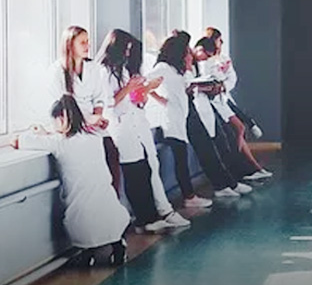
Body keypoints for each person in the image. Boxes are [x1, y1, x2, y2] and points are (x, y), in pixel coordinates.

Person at [9, 96, 130, 266]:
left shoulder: (58, 143)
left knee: (83, 224)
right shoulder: (94, 137)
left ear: (61, 119)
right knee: (109, 215)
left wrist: (36, 132)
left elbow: (15, 141)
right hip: (112, 212)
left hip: (81, 218)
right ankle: (118, 246)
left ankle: (87, 253)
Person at [97, 30, 205, 218]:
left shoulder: (123, 71)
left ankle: (157, 213)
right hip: (123, 126)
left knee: (147, 169)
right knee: (135, 172)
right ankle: (149, 216)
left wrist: (144, 94)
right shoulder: (104, 72)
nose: (128, 53)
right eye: (126, 49)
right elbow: (110, 102)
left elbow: (134, 97)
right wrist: (142, 89)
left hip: (137, 121)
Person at [147, 34, 251, 200]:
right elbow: (146, 84)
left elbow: (186, 86)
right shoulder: (163, 67)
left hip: (189, 109)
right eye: (186, 51)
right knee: (194, 152)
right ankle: (206, 190)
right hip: (178, 115)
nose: (189, 54)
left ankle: (226, 184)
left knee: (208, 146)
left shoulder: (177, 68)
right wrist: (163, 101)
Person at [46, 26, 118, 195]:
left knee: (111, 153)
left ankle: (112, 202)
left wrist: (97, 117)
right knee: (88, 165)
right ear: (70, 45)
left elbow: (99, 97)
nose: (88, 46)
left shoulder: (93, 68)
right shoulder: (56, 71)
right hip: (71, 126)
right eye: (83, 42)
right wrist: (88, 120)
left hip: (93, 124)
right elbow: (61, 107)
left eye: (88, 41)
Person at [193, 36, 271, 181]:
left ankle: (252, 168)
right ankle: (247, 169)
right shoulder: (198, 64)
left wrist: (221, 85)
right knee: (233, 133)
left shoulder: (214, 60)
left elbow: (228, 79)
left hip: (221, 99)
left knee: (239, 130)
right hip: (212, 104)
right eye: (218, 40)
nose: (207, 58)